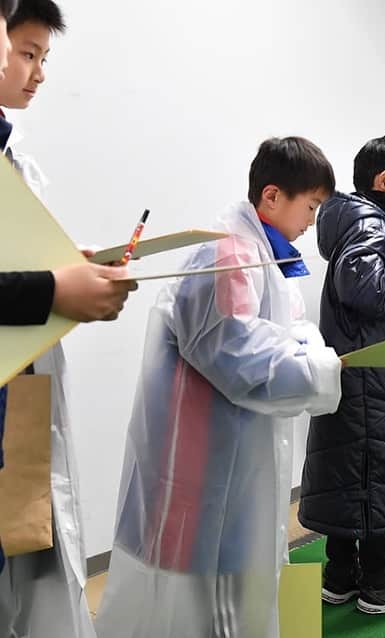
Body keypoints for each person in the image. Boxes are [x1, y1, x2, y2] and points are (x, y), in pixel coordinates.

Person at [95, 137, 342, 638]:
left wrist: (310, 354)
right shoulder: (228, 256)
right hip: (199, 455)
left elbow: (284, 330)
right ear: (272, 197)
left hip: (234, 445)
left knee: (231, 584)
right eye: (311, 206)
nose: (313, 220)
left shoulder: (261, 255)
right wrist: (319, 368)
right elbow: (235, 355)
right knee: (189, 596)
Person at [0, 2, 135, 636]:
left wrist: (59, 268)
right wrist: (53, 289)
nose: (30, 70)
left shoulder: (10, 155)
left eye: (37, 56)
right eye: (23, 50)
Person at [299, 135, 385, 615]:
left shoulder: (348, 219)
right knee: (373, 477)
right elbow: (366, 284)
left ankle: (340, 575)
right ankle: (379, 581)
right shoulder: (368, 219)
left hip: (354, 369)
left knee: (348, 474)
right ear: (384, 182)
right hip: (375, 374)